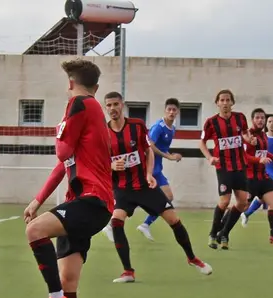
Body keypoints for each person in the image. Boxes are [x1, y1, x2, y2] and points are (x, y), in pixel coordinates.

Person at [23, 58, 113, 298]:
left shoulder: (78, 104)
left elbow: (61, 151)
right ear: (97, 88)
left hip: (91, 202)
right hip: (84, 203)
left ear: (71, 84)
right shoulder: (92, 114)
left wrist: (61, 132)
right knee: (69, 279)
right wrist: (37, 200)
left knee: (35, 232)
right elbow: (64, 165)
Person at [101, 92, 212, 282]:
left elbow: (148, 151)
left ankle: (192, 258)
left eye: (115, 104)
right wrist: (110, 165)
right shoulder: (103, 132)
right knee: (117, 222)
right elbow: (99, 160)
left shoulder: (137, 126)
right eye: (108, 105)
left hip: (144, 186)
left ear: (122, 105)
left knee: (174, 220)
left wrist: (149, 174)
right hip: (122, 188)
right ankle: (128, 271)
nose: (112, 108)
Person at [225, 107, 273, 244]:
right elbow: (244, 156)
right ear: (252, 120)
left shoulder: (263, 136)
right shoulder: (248, 135)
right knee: (242, 206)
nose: (260, 120)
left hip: (263, 176)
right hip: (249, 178)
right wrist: (258, 160)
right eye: (257, 118)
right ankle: (223, 230)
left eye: (262, 118)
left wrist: (272, 156)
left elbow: (262, 152)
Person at [199, 89, 252, 250]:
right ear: (217, 103)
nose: (225, 103)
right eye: (222, 100)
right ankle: (212, 234)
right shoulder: (211, 122)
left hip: (239, 166)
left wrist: (249, 138)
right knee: (225, 201)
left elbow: (244, 133)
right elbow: (201, 143)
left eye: (228, 100)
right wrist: (210, 157)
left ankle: (224, 233)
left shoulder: (240, 118)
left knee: (243, 202)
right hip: (223, 166)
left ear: (232, 102)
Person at [135, 98, 184, 241]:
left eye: (174, 110)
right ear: (165, 110)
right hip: (149, 168)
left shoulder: (172, 129)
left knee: (168, 197)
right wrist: (168, 156)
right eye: (169, 109)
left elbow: (164, 149)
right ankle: (114, 222)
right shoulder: (158, 127)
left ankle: (145, 224)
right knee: (137, 198)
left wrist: (172, 155)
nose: (171, 112)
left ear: (177, 112)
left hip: (157, 169)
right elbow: (150, 146)